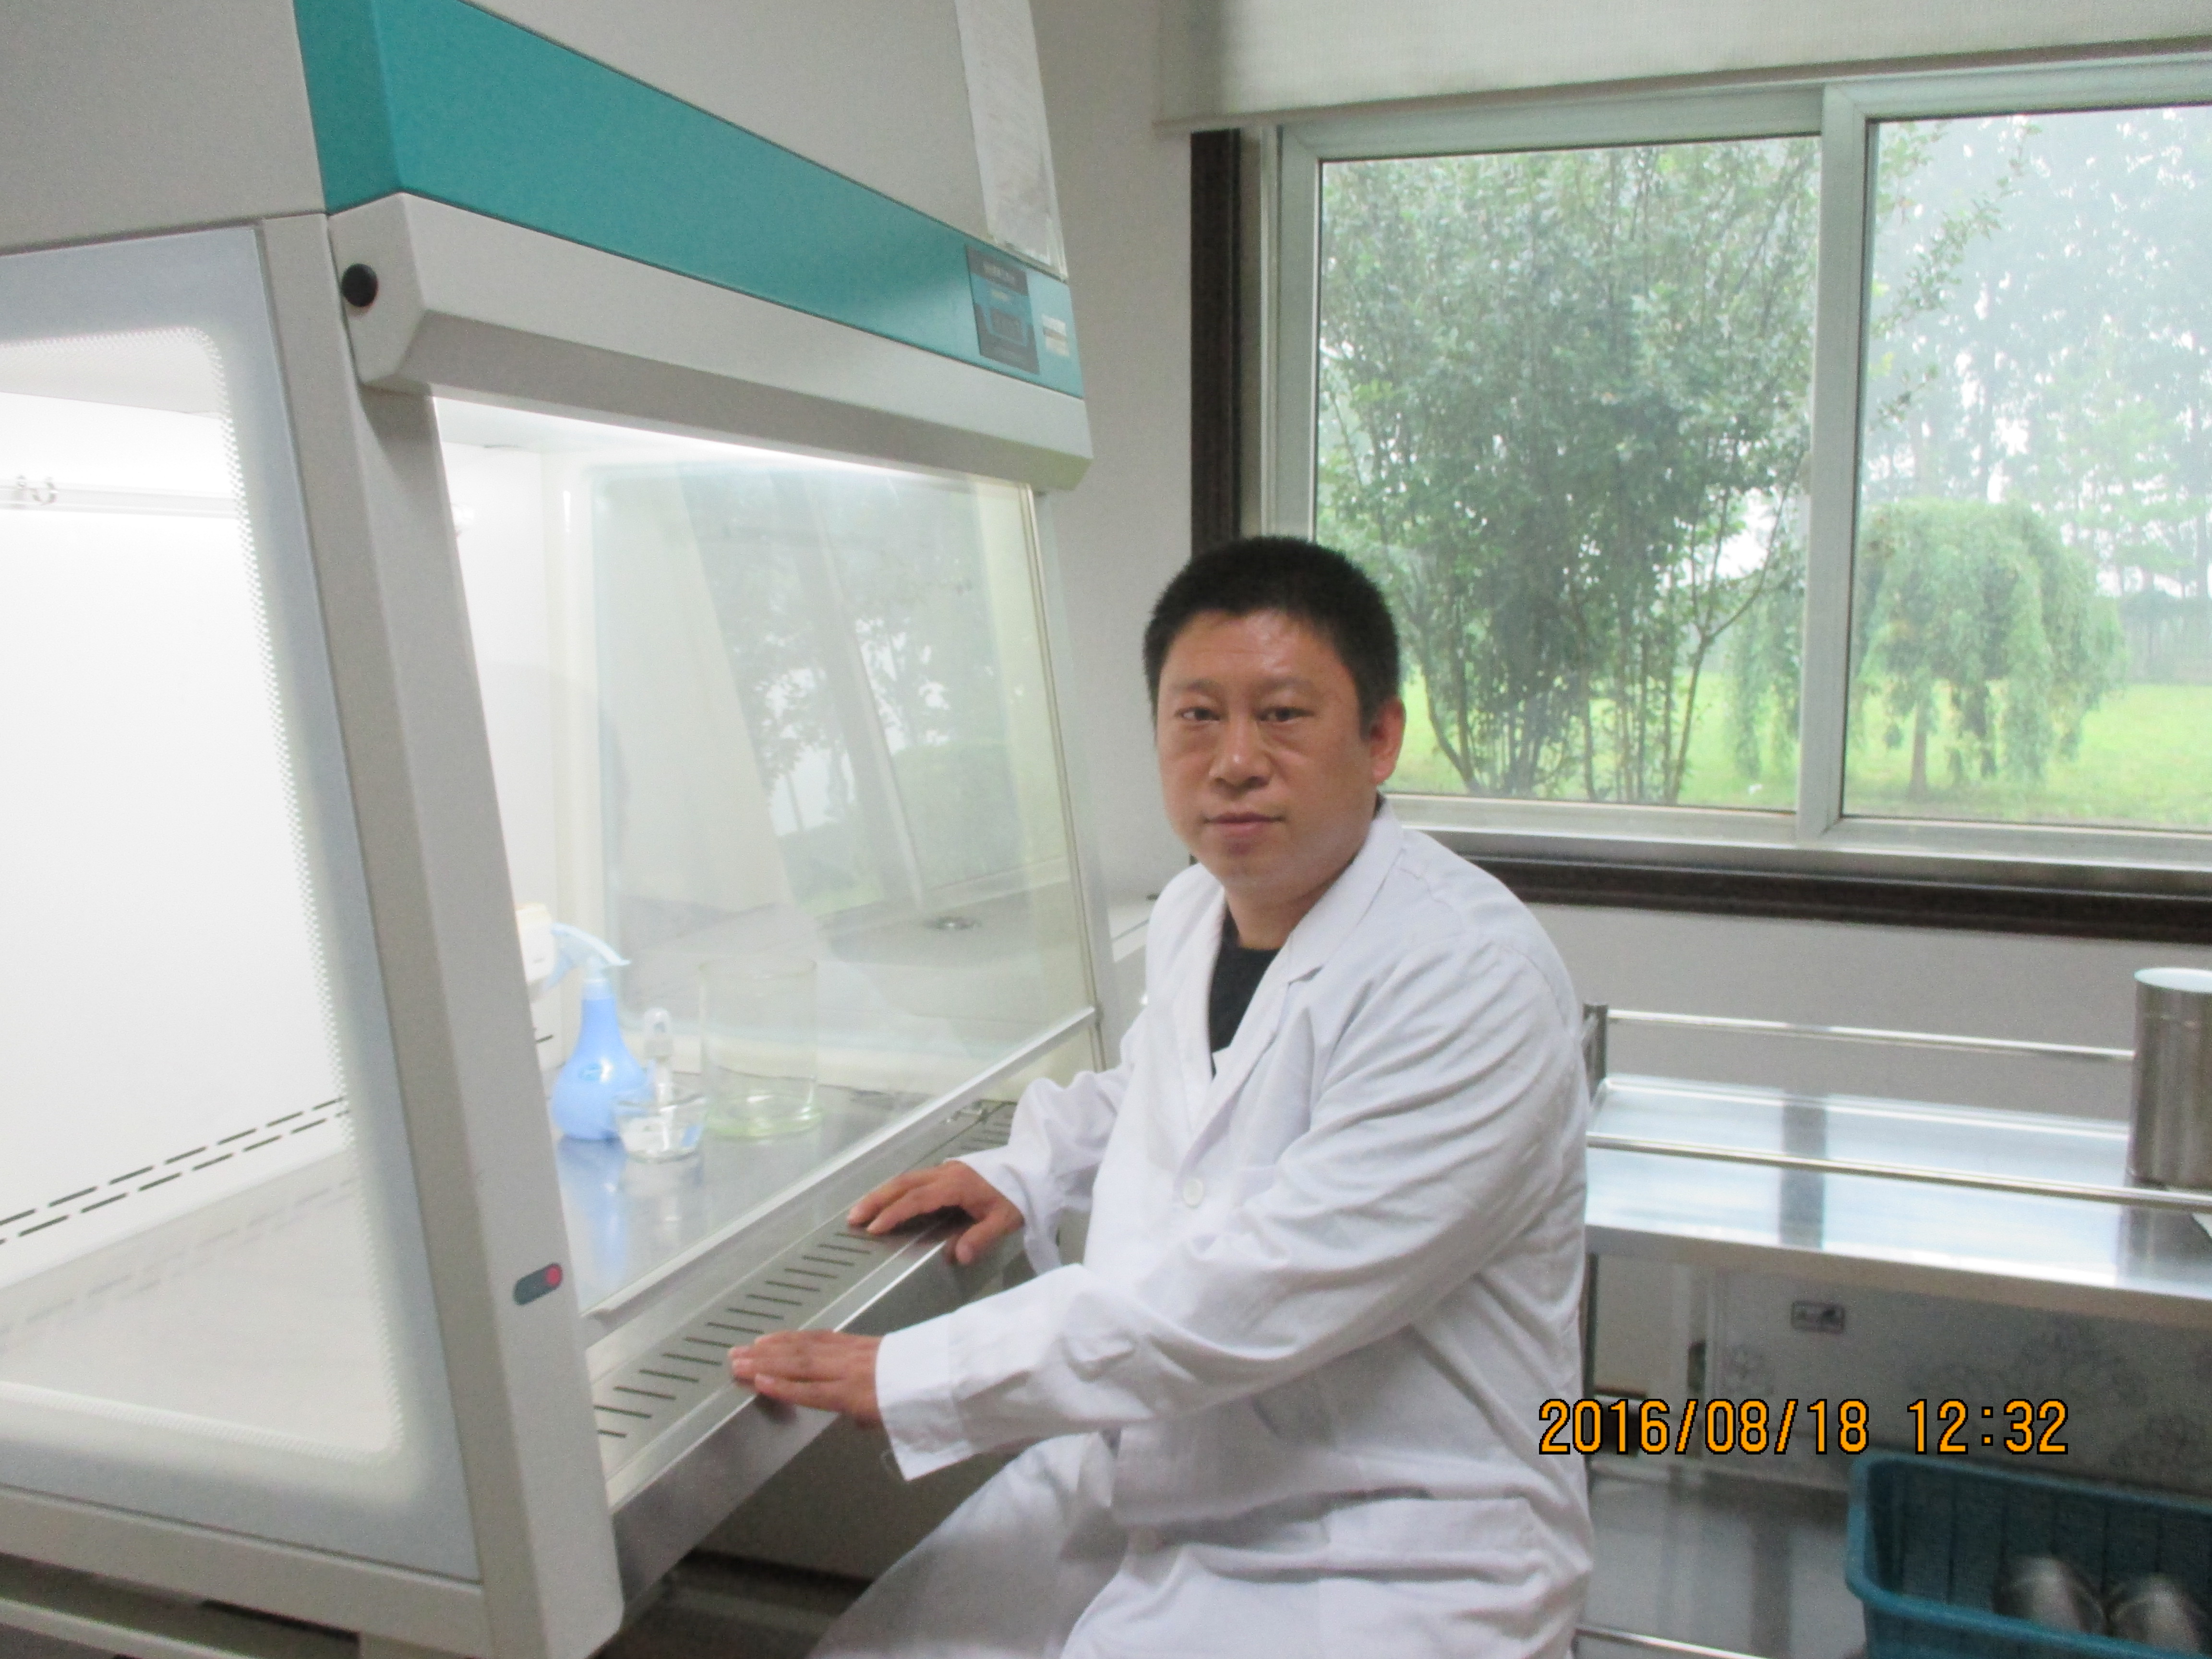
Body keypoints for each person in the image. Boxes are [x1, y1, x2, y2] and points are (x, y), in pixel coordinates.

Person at [728, 537, 1593, 1657]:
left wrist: (924, 1371)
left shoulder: (1467, 977)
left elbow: (1256, 1292)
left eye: (1282, 715)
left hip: (1385, 1543)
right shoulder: (1198, 909)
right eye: (1196, 717)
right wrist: (1026, 1168)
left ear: (1381, 738)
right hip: (1157, 1466)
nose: (1234, 762)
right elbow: (1161, 1087)